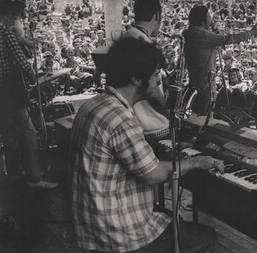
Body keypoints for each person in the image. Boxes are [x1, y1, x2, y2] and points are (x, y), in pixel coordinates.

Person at [70, 38, 224, 253]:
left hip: (90, 226)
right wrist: (196, 161)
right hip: (118, 234)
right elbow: (153, 174)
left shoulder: (92, 105)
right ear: (135, 79)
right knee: (207, 238)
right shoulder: (121, 118)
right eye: (154, 74)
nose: (158, 79)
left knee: (174, 218)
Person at [0, 0, 57, 188]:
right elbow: (23, 61)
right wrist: (32, 79)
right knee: (29, 131)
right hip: (12, 89)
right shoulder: (6, 33)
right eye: (14, 16)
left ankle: (14, 172)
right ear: (7, 15)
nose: (16, 19)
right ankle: (34, 178)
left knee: (9, 133)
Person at [182, 5, 257, 115]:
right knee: (206, 114)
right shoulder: (205, 36)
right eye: (209, 17)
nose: (211, 20)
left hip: (193, 79)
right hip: (206, 82)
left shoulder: (186, 33)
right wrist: (251, 33)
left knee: (195, 111)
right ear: (202, 20)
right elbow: (229, 38)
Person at [122, 0, 170, 143]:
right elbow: (152, 89)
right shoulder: (144, 44)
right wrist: (168, 109)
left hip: (133, 122)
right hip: (150, 125)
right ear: (156, 16)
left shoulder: (126, 37)